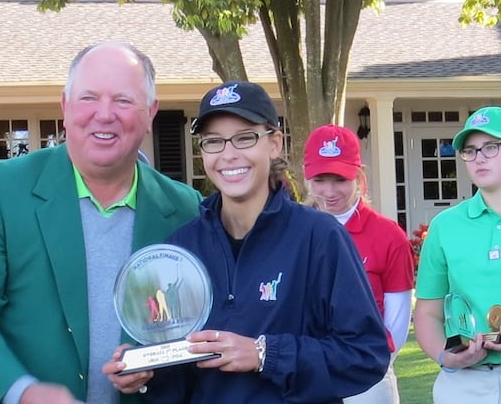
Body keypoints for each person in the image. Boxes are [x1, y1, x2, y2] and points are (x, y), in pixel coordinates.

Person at [0, 41, 202, 404]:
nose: (104, 115)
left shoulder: (185, 208)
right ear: (65, 106)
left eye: (123, 100)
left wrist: (153, 365)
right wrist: (21, 392)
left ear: (150, 113)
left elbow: (191, 329)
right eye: (89, 98)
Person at [105, 81, 390, 403]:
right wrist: (146, 372)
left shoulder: (319, 238)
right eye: (214, 142)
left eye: (245, 138)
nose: (228, 155)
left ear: (274, 144)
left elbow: (365, 355)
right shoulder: (182, 250)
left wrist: (265, 354)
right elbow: (182, 379)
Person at [414, 105, 501, 403]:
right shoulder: (444, 226)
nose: (479, 158)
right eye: (470, 151)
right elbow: (428, 312)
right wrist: (446, 357)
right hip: (464, 384)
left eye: (491, 147)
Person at [303, 124, 416, 404]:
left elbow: (397, 322)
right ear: (306, 178)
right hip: (306, 373)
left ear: (359, 177)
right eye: (320, 179)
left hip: (367, 376)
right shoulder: (291, 233)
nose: (329, 191)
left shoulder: (389, 236)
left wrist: (365, 365)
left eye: (340, 179)